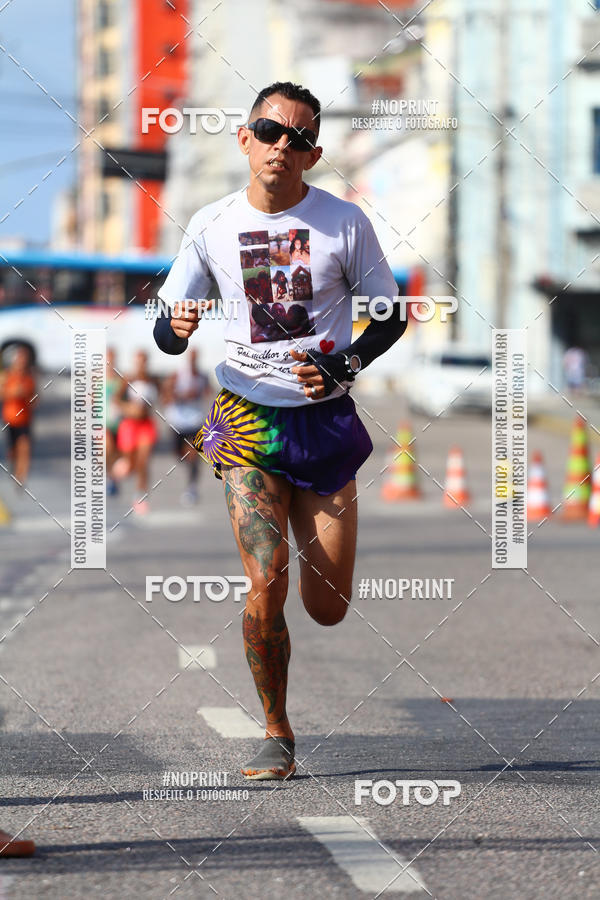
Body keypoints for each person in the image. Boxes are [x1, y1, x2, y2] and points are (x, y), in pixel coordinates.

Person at [153, 81, 406, 779]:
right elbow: (167, 326)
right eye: (268, 131)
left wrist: (345, 362)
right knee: (265, 580)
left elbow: (389, 314)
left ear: (314, 154)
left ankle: (314, 601)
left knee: (324, 607)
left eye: (297, 138)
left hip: (323, 423)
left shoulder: (344, 224)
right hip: (241, 422)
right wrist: (173, 331)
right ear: (244, 138)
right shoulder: (210, 224)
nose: (280, 146)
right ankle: (277, 730)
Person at [162, 348, 211, 505]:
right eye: (191, 358)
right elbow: (166, 393)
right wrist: (181, 396)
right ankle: (190, 475)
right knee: (178, 454)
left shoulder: (202, 376)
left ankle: (192, 487)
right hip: (178, 421)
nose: (192, 361)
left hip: (195, 421)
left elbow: (208, 392)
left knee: (193, 455)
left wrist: (198, 393)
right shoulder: (178, 375)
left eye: (195, 358)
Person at [113, 350, 159, 515]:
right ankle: (114, 476)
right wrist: (129, 408)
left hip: (146, 425)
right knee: (130, 464)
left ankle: (140, 495)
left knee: (143, 461)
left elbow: (159, 399)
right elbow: (116, 400)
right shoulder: (128, 379)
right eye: (138, 362)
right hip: (130, 425)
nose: (141, 365)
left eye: (143, 361)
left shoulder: (152, 380)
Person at [1, 345, 36, 488]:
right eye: (19, 359)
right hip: (10, 419)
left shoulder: (29, 377)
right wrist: (14, 392)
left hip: (25, 419)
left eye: (24, 359)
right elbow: (2, 394)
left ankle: (20, 478)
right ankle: (14, 466)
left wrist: (29, 397)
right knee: (14, 450)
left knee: (25, 447)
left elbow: (35, 397)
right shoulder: (7, 376)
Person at [105, 347, 126, 496]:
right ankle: (109, 477)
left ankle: (113, 479)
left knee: (117, 453)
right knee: (107, 448)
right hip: (103, 422)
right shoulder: (97, 378)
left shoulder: (121, 379)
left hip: (119, 422)